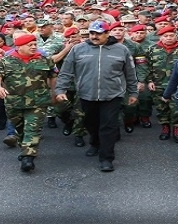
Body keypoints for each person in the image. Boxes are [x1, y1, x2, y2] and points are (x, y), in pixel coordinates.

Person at [55, 21, 139, 172]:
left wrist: (133, 92)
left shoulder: (121, 50)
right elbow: (66, 71)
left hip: (112, 95)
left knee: (108, 125)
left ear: (107, 34)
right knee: (91, 123)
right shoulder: (78, 49)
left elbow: (130, 73)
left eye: (99, 34)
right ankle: (95, 143)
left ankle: (106, 158)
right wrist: (60, 90)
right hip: (87, 94)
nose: (94, 36)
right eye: (92, 33)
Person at [0, 33, 58, 171]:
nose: (34, 47)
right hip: (14, 102)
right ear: (19, 47)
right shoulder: (5, 61)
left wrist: (54, 92)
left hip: (38, 101)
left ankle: (28, 157)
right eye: (30, 45)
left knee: (33, 128)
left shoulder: (45, 60)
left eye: (35, 45)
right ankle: (25, 147)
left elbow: (53, 76)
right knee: (20, 129)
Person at [136, 25, 178, 143]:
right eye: (165, 36)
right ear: (160, 37)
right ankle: (165, 128)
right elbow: (146, 66)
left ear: (176, 36)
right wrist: (149, 81)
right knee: (161, 108)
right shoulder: (152, 49)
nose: (169, 38)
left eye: (171, 35)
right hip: (158, 84)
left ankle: (177, 129)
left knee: (177, 109)